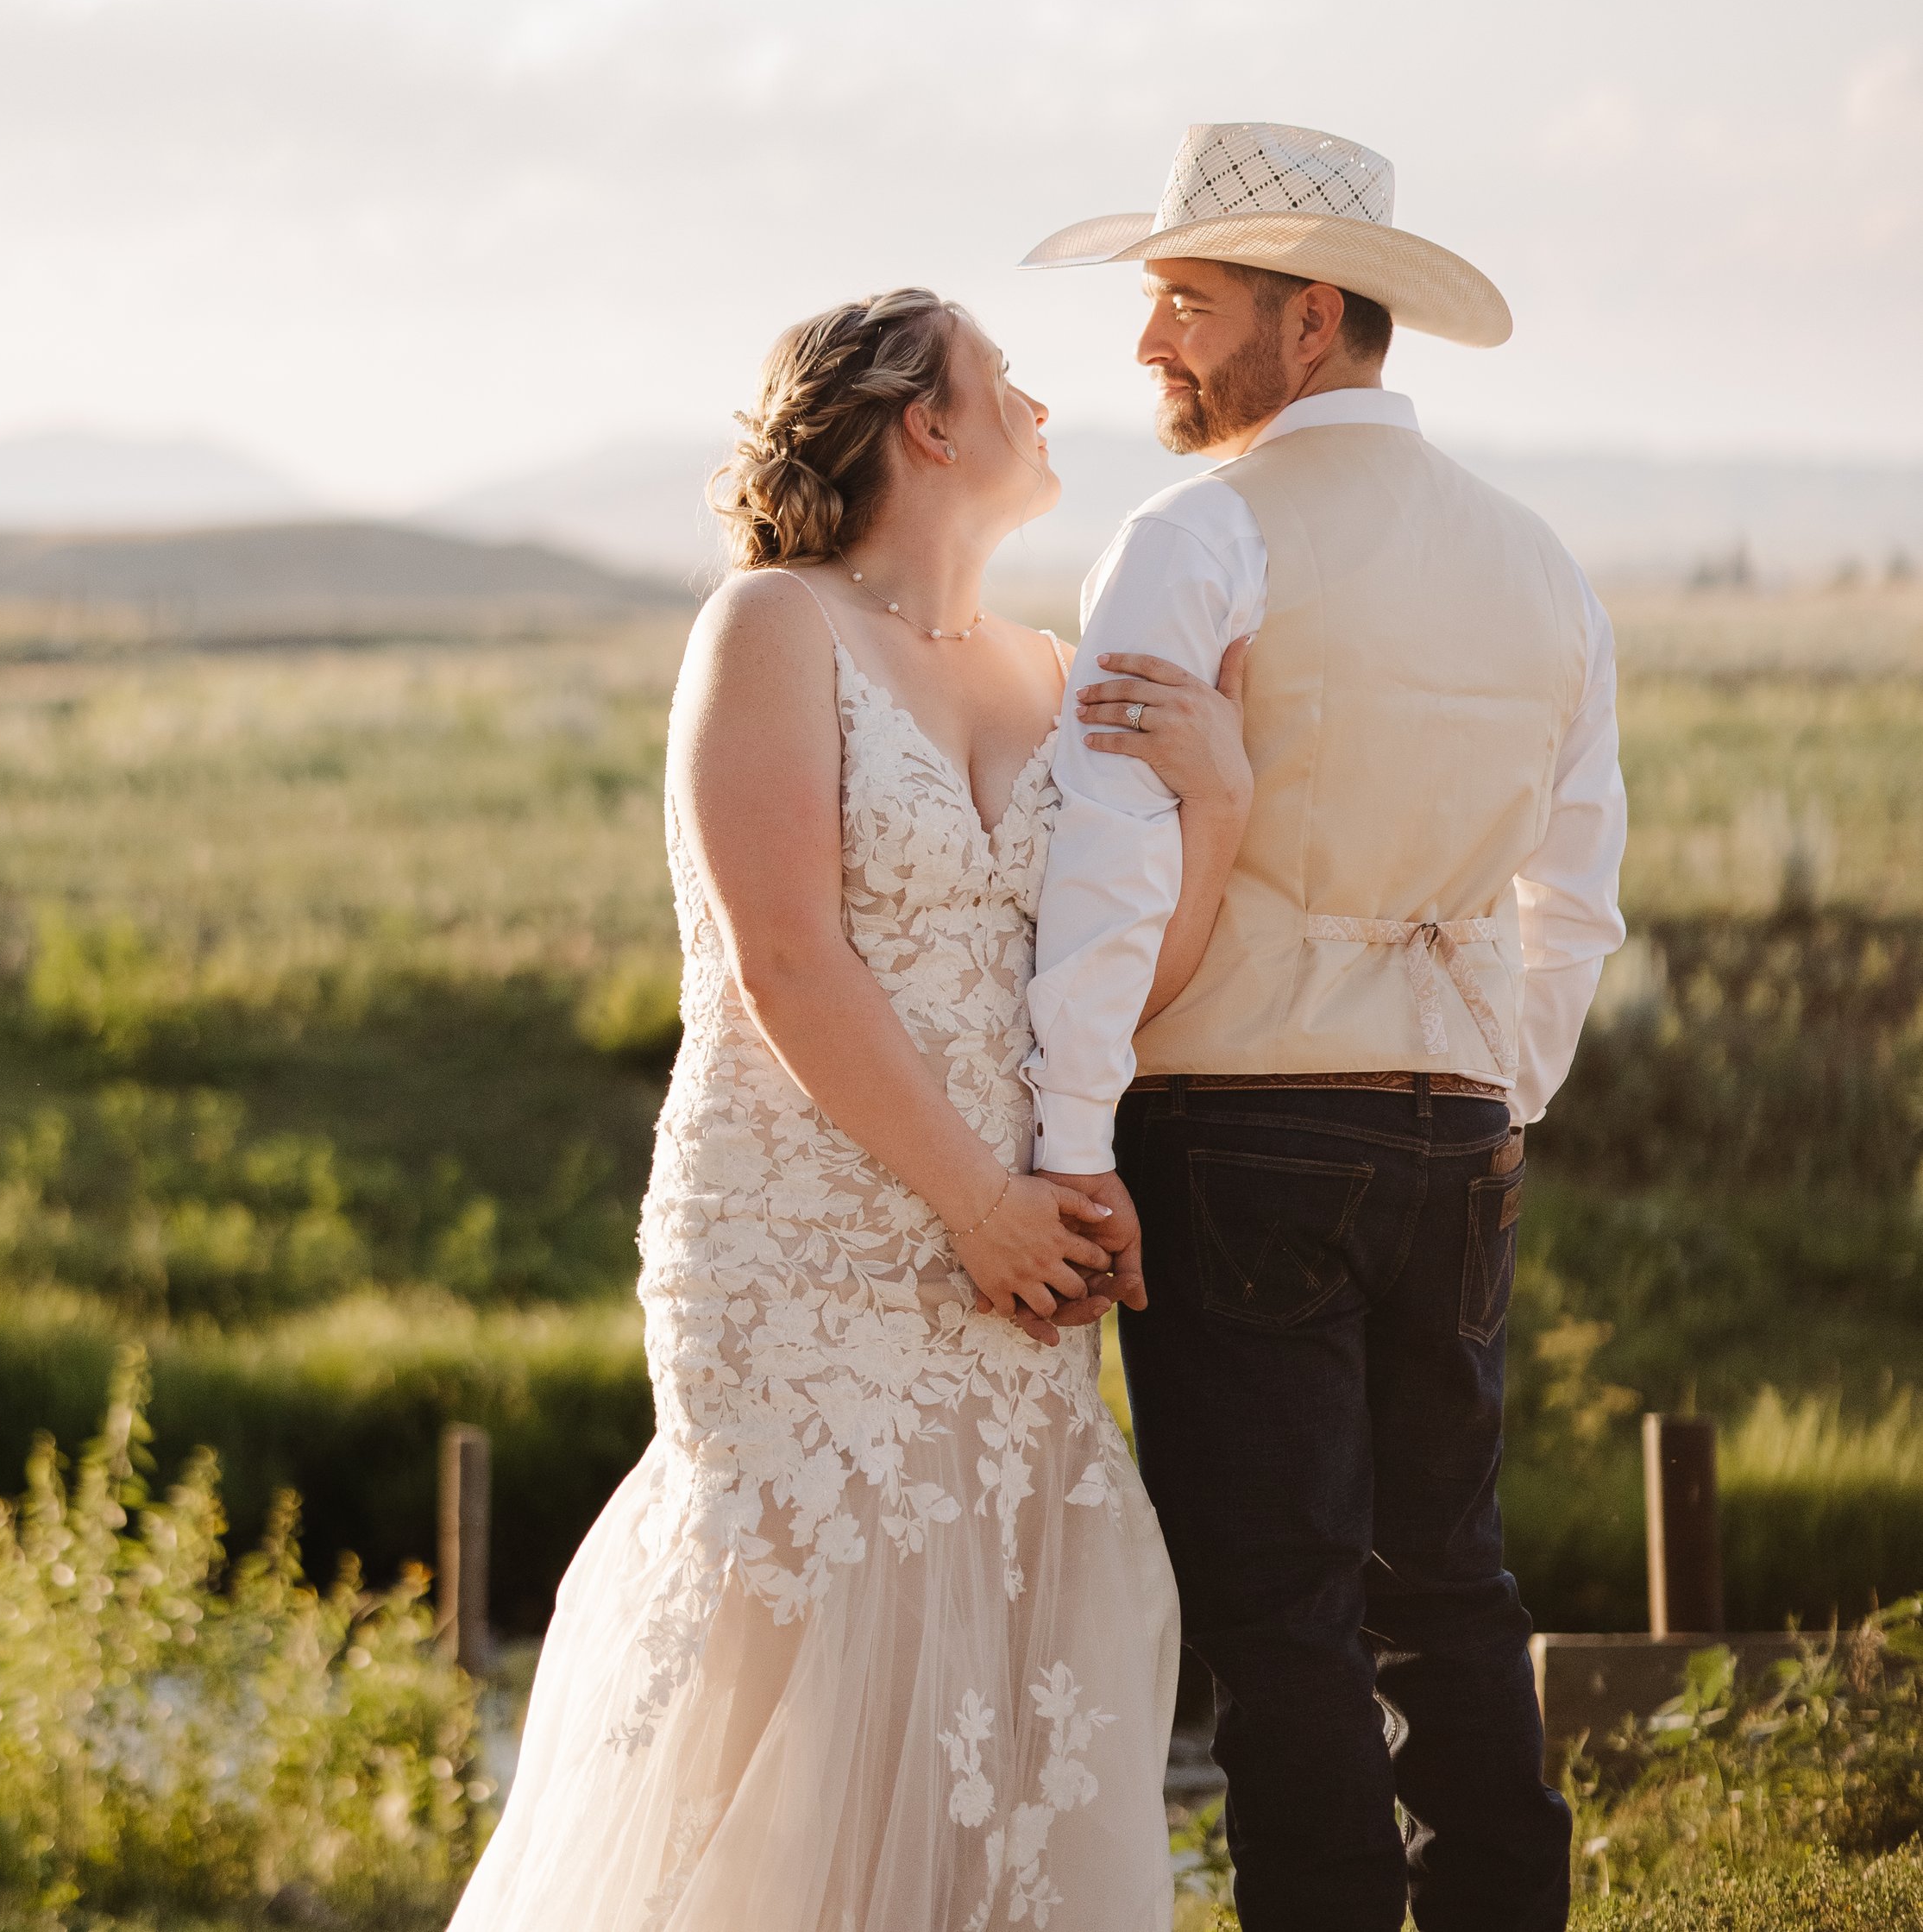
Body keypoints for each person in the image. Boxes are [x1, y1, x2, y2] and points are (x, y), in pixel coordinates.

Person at [454, 286, 1254, 1932]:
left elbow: (1106, 985)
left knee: (1003, 1700)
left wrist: (1221, 800)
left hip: (1009, 1276)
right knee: (795, 1720)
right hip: (802, 1250)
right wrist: (977, 1197)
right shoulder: (771, 625)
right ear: (925, 423)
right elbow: (785, 957)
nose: (1047, 399)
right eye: (1004, 375)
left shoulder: (1049, 671)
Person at [1021, 121, 1628, 1932]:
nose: (1149, 348)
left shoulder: (1194, 535)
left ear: (1305, 322)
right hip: (1450, 1127)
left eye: (1182, 305)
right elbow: (1573, 893)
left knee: (1278, 1609)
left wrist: (1065, 1147)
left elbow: (1109, 868)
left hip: (1227, 1124)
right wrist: (1490, 1087)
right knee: (1447, 1581)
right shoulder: (1546, 568)